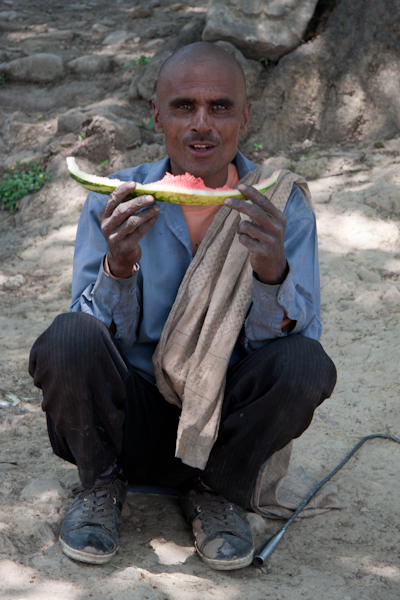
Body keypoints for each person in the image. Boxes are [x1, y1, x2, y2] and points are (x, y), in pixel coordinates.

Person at [29, 42, 336, 571]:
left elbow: (290, 345)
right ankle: (101, 484)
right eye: (183, 106)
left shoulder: (280, 205)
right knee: (68, 336)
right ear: (158, 116)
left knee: (307, 363)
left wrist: (271, 275)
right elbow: (92, 338)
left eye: (220, 107)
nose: (202, 124)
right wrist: (118, 268)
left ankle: (215, 492)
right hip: (127, 422)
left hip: (224, 428)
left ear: (244, 116)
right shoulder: (117, 200)